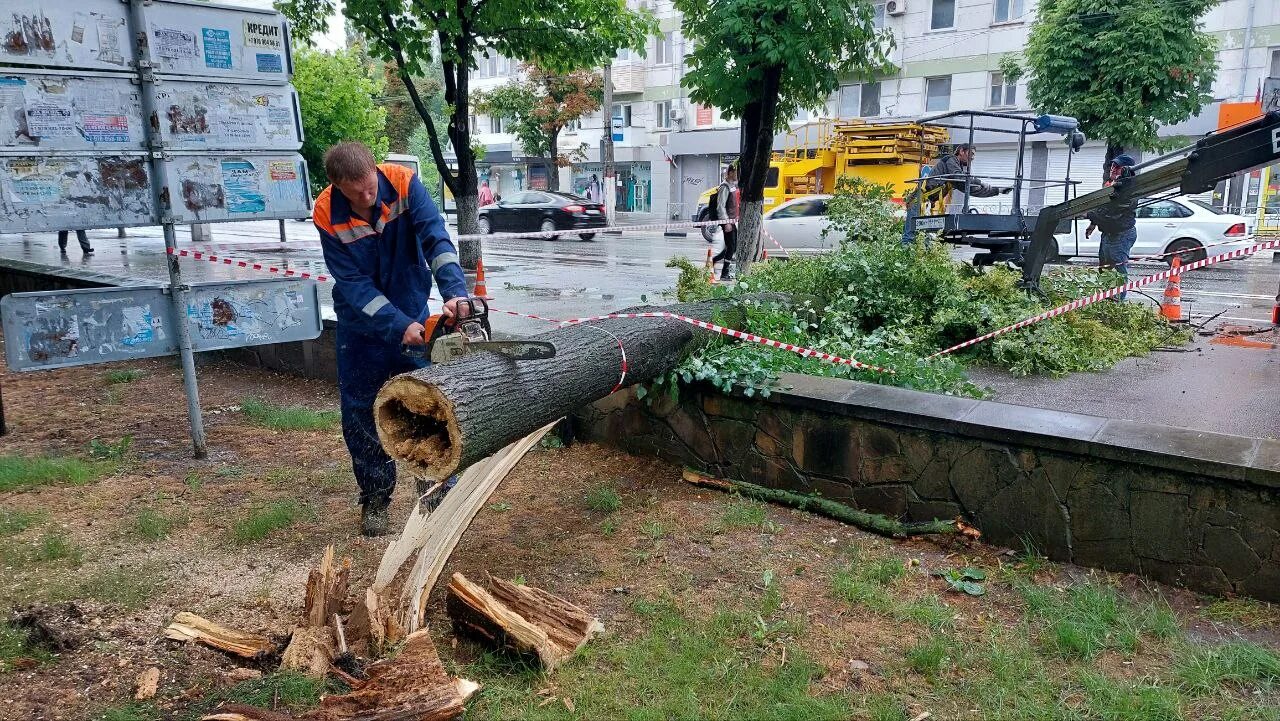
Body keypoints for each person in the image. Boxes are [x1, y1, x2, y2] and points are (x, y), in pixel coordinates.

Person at [314, 142, 470, 536]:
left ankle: (435, 489)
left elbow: (436, 239)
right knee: (362, 411)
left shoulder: (403, 183)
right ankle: (376, 499)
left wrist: (454, 292)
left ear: (374, 171)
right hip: (361, 325)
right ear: (337, 186)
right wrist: (396, 324)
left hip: (412, 307)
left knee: (424, 405)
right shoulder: (326, 213)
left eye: (370, 187)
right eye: (358, 193)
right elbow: (353, 284)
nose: (368, 197)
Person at [901, 143, 1011, 246]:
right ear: (961, 151)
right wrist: (980, 182)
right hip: (918, 200)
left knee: (925, 238)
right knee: (910, 237)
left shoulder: (955, 171)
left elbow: (971, 189)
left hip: (925, 203)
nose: (972, 158)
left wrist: (998, 191)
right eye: (971, 154)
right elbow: (960, 177)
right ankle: (905, 262)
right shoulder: (951, 160)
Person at [1085, 154, 1139, 299]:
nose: (1113, 169)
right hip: (1109, 233)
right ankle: (1106, 299)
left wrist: (1089, 214)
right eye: (1113, 166)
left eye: (1118, 167)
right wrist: (1093, 224)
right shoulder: (1111, 186)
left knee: (1118, 270)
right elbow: (1103, 208)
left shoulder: (1128, 192)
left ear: (1127, 170)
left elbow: (1111, 216)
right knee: (1105, 268)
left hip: (1120, 234)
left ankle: (1118, 304)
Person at [710, 166, 739, 280]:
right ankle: (724, 273)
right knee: (731, 246)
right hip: (727, 221)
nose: (737, 175)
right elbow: (720, 206)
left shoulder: (731, 186)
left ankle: (715, 260)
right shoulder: (724, 187)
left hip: (731, 220)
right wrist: (726, 222)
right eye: (736, 173)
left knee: (732, 246)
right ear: (730, 173)